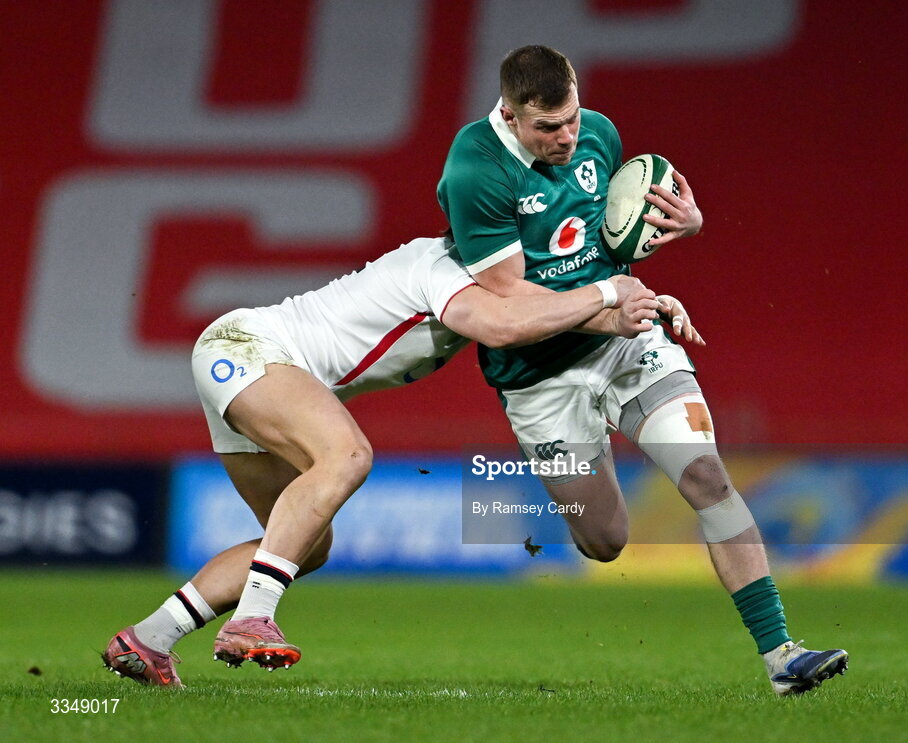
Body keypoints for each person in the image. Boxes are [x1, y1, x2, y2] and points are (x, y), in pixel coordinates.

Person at [101, 234, 698, 687]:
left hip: (251, 366)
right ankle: (253, 617)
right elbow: (506, 326)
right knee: (348, 454)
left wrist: (632, 315)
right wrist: (608, 293)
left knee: (303, 546)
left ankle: (149, 639)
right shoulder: (441, 267)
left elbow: (545, 311)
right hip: (250, 350)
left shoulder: (495, 283)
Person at [436, 45, 847, 695]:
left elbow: (610, 238)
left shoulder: (599, 136)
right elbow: (508, 299)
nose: (568, 137)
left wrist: (684, 225)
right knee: (605, 539)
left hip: (627, 344)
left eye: (571, 117)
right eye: (548, 128)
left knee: (707, 475)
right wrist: (608, 304)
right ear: (510, 116)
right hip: (538, 376)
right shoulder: (474, 170)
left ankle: (781, 655)